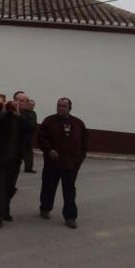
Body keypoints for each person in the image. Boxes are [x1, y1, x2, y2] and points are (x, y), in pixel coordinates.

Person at [38, 98, 88, 229]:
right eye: (59, 105)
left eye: (64, 106)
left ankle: (70, 217)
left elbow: (84, 142)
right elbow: (41, 138)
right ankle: (45, 208)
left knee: (69, 190)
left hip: (71, 164)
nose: (60, 108)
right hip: (52, 162)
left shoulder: (78, 123)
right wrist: (49, 150)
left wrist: (80, 158)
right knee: (48, 186)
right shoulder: (49, 121)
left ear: (70, 108)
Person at [0, 94, 33, 228]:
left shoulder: (28, 115)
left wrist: (19, 116)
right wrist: (2, 112)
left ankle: (5, 207)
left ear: (26, 104)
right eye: (16, 99)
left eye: (22, 101)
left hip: (16, 157)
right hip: (0, 156)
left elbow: (30, 129)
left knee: (10, 186)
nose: (18, 102)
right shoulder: (3, 112)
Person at [23, 99, 38, 173]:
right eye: (30, 104)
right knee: (23, 152)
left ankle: (29, 167)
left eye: (33, 105)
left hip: (31, 135)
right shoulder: (23, 113)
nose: (32, 106)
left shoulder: (34, 113)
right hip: (24, 135)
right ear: (27, 105)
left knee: (29, 152)